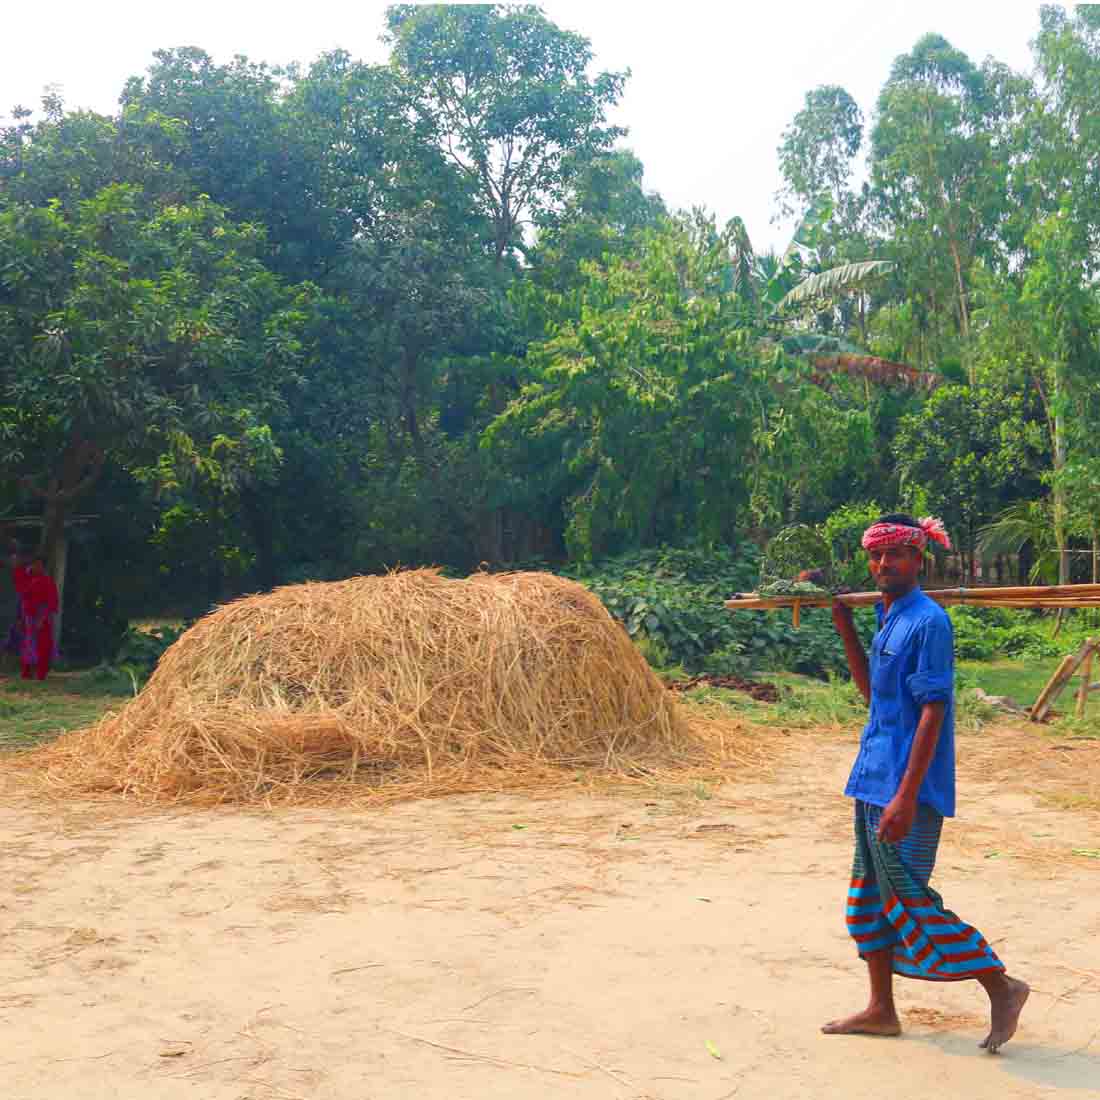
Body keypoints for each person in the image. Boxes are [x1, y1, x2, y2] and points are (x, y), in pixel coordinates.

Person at [822, 513, 1029, 1054]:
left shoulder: (929, 622)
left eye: (895, 555)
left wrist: (907, 797)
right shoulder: (887, 617)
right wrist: (845, 628)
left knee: (910, 899)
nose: (883, 565)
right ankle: (881, 1009)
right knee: (868, 898)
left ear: (919, 560)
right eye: (876, 556)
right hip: (872, 778)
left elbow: (933, 712)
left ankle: (1001, 986)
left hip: (906, 790)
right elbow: (875, 700)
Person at [10, 545, 59, 681]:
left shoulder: (48, 581)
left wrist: (42, 618)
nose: (36, 567)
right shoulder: (27, 579)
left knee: (43, 646)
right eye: (34, 564)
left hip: (42, 617)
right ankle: (26, 674)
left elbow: (52, 602)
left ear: (43, 566)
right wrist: (19, 617)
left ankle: (41, 674)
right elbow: (20, 592)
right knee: (27, 644)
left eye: (38, 564)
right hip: (27, 616)